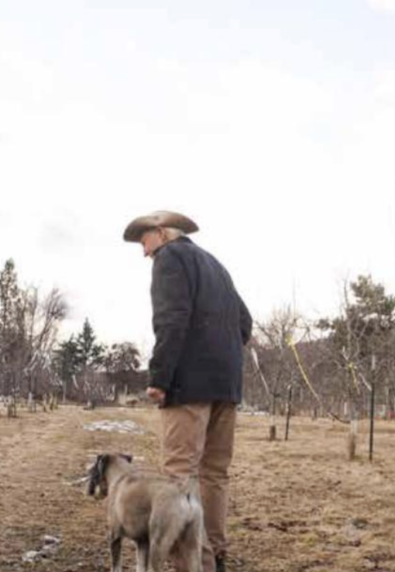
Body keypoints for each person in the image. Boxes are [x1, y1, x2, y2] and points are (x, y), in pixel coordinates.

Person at [123, 210, 252, 572]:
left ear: (162, 233)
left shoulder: (170, 258)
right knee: (215, 474)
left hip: (188, 387)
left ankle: (196, 564)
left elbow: (171, 318)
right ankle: (217, 555)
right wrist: (218, 356)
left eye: (144, 242)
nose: (144, 252)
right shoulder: (216, 266)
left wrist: (160, 377)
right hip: (226, 386)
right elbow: (245, 323)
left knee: (178, 477)